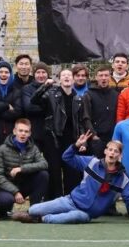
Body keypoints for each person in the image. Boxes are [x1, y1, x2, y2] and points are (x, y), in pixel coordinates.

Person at [13, 133, 129, 224]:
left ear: (120, 156)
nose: (112, 153)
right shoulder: (92, 162)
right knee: (34, 209)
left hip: (86, 213)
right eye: (110, 150)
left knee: (74, 217)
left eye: (116, 151)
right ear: (105, 151)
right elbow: (67, 158)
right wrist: (76, 146)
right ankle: (29, 214)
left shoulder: (123, 179)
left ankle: (40, 220)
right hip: (71, 201)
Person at [31, 69, 94, 197]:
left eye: (69, 75)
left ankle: (71, 200)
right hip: (53, 139)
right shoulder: (50, 94)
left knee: (72, 173)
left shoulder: (78, 98)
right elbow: (34, 100)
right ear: (59, 79)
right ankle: (54, 200)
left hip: (71, 141)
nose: (66, 77)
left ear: (73, 79)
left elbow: (80, 122)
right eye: (63, 75)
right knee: (54, 172)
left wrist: (83, 142)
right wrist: (45, 86)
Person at [0, 119, 49, 214]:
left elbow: (44, 164)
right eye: (20, 131)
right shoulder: (1, 149)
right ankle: (3, 212)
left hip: (24, 185)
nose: (23, 134)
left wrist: (22, 169)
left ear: (30, 133)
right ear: (14, 131)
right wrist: (15, 192)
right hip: (7, 187)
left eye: (26, 131)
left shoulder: (33, 148)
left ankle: (34, 210)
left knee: (43, 175)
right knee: (5, 201)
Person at [86, 65, 120, 157]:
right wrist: (94, 135)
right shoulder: (89, 94)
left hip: (112, 138)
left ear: (110, 77)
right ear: (96, 77)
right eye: (101, 75)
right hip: (97, 138)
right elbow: (86, 117)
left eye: (106, 75)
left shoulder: (116, 94)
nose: (103, 78)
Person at [20, 62, 51, 151]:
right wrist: (47, 106)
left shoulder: (53, 88)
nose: (41, 75)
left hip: (50, 132)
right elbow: (29, 108)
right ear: (34, 74)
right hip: (34, 132)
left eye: (43, 72)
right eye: (38, 72)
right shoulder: (27, 89)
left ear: (47, 74)